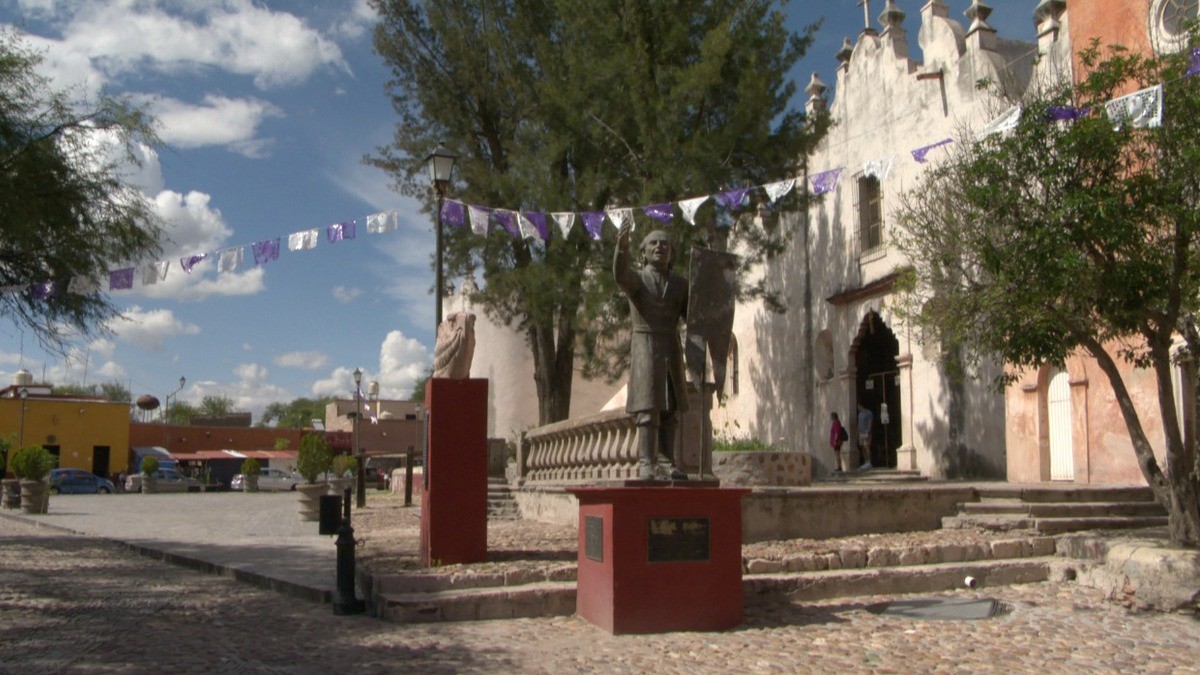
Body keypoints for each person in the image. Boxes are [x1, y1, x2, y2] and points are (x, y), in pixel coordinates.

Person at [614, 221, 689, 481]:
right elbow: (620, 276)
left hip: (670, 346)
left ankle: (668, 462)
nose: (660, 247)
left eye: (665, 243)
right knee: (648, 408)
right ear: (643, 252)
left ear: (672, 253)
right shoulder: (638, 279)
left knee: (670, 410)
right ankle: (647, 462)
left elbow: (694, 317)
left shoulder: (681, 284)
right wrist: (621, 249)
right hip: (645, 346)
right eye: (654, 243)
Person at [857, 401, 874, 471]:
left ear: (861, 406)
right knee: (862, 447)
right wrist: (857, 432)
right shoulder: (860, 414)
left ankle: (869, 462)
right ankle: (865, 461)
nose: (858, 407)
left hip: (866, 432)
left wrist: (868, 431)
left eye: (858, 406)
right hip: (861, 432)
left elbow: (870, 422)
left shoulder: (868, 413)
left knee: (867, 446)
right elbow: (859, 424)